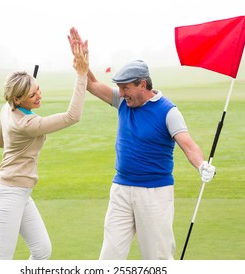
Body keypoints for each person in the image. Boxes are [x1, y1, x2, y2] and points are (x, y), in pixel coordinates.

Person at [68, 27, 215, 260]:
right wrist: (82, 62)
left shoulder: (168, 111)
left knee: (156, 258)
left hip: (155, 194)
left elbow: (189, 145)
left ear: (143, 85)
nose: (121, 92)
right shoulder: (123, 101)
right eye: (119, 87)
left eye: (126, 87)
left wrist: (202, 165)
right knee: (109, 258)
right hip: (121, 189)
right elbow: (92, 85)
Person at [0, 41, 89, 260]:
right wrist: (81, 75)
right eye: (33, 95)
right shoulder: (28, 124)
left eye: (38, 90)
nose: (39, 96)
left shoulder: (7, 108)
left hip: (20, 192)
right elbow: (73, 116)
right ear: (17, 98)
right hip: (9, 192)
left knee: (42, 251)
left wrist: (16, 145)